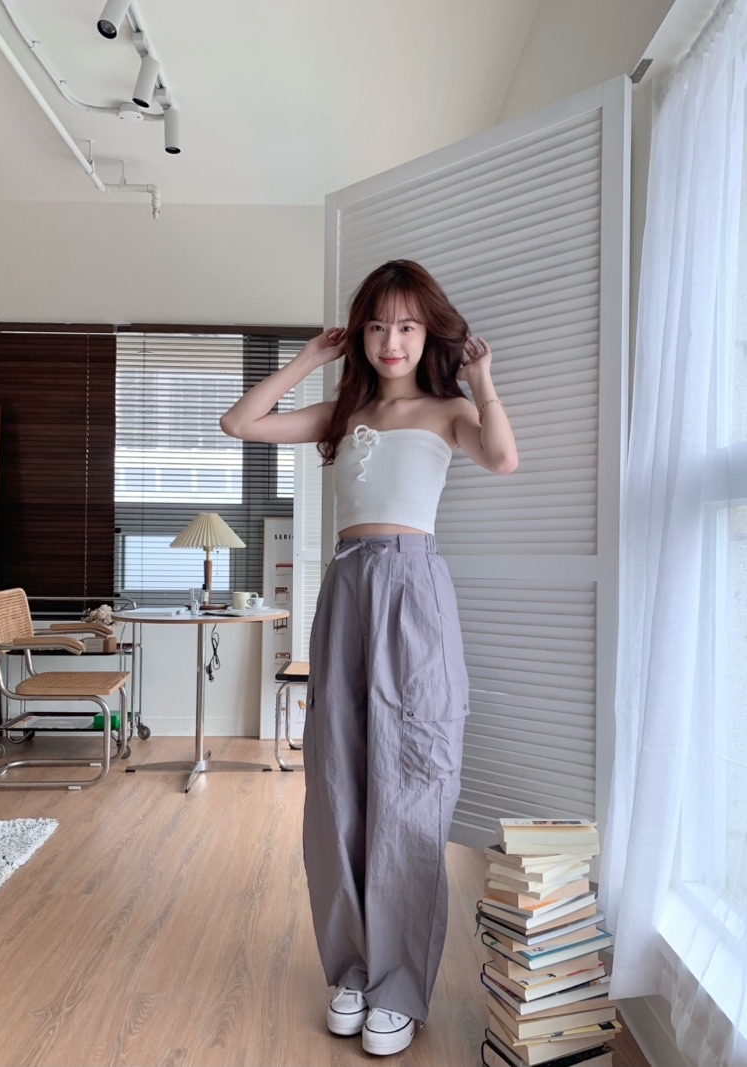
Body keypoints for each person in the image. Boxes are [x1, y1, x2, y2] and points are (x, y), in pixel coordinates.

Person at [220, 259, 517, 1056]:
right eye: (378, 325)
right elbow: (239, 424)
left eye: (408, 325)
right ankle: (352, 969)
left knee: (411, 783)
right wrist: (306, 360)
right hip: (346, 589)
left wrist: (483, 381)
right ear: (359, 335)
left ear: (428, 334)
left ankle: (398, 985)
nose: (392, 340)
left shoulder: (448, 409)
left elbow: (501, 458)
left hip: (412, 591)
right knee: (337, 785)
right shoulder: (342, 413)